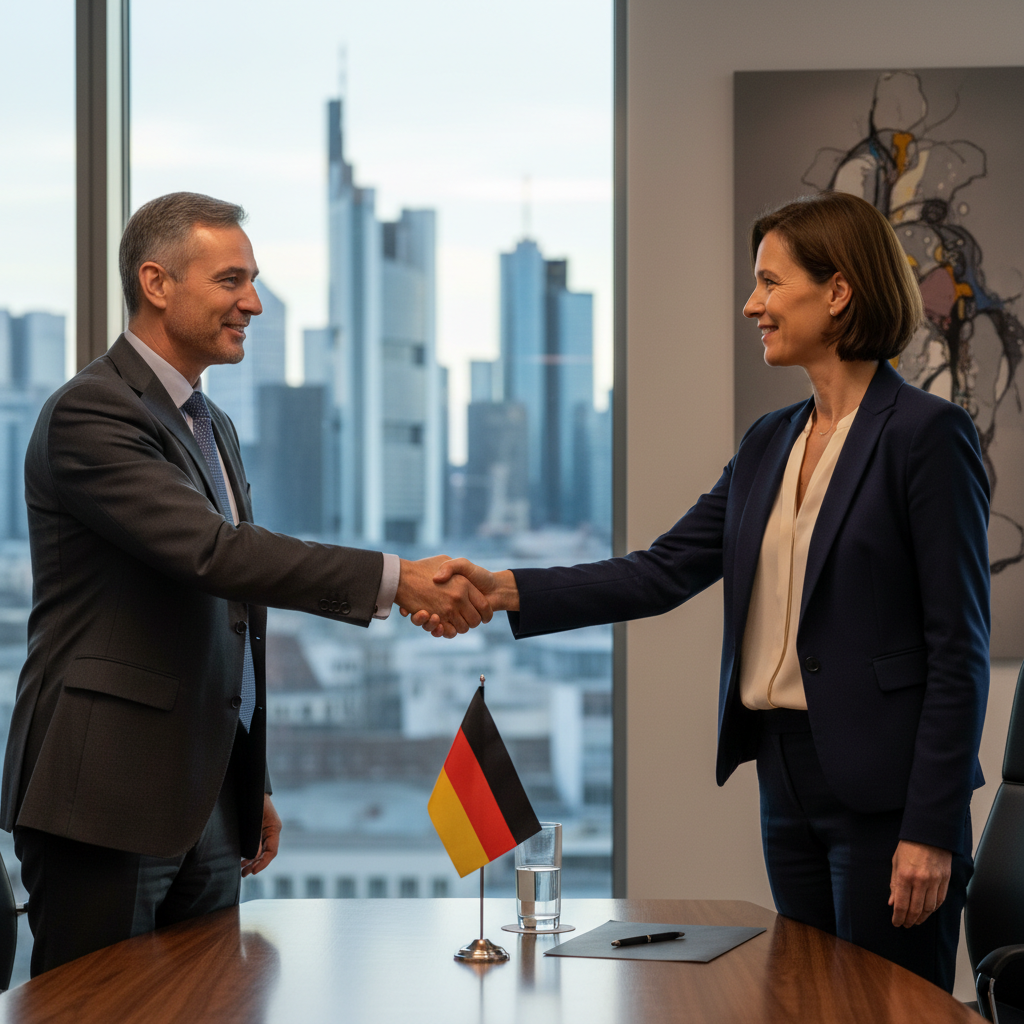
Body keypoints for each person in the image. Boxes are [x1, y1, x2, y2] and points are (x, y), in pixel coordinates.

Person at [414, 191, 991, 991]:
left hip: (888, 793)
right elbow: (660, 571)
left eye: (770, 282)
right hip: (784, 777)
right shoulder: (768, 441)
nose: (752, 305)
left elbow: (959, 649)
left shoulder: (926, 434)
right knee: (806, 1002)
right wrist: (504, 587)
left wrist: (930, 827)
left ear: (838, 292)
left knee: (885, 1007)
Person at [0, 192, 490, 976]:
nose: (253, 303)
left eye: (252, 281)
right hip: (104, 797)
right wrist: (396, 579)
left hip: (203, 801)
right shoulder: (92, 412)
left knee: (208, 1004)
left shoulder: (211, 425)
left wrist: (244, 779)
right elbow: (216, 555)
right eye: (231, 280)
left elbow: (231, 612)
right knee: (98, 1011)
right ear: (156, 283)